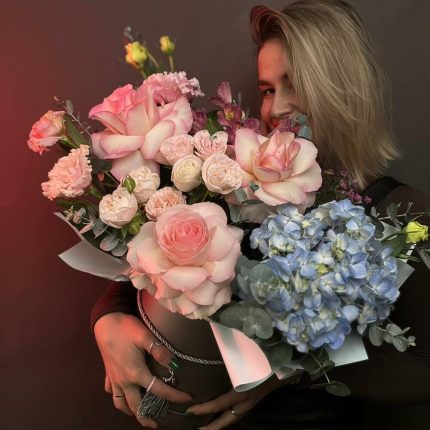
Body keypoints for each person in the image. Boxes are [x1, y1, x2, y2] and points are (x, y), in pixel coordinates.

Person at [91, 1, 430, 429]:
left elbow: (425, 368)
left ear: (342, 88)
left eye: (295, 85)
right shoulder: (233, 184)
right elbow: (144, 268)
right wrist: (106, 321)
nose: (276, 108)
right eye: (268, 90)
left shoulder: (398, 211)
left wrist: (293, 369)